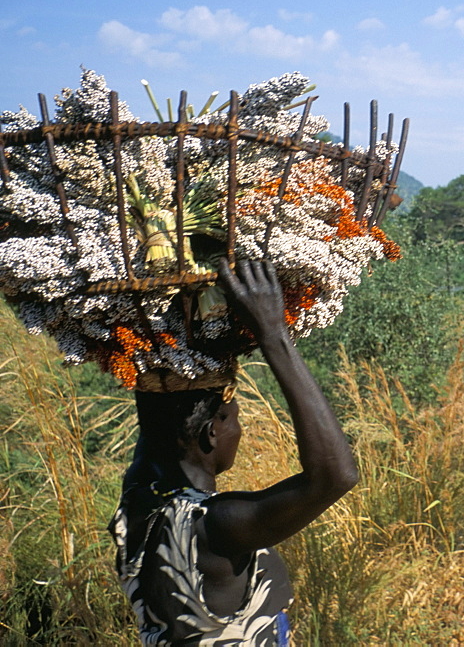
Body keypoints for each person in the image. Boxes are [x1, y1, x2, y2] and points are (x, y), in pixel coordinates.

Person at [108, 260, 359, 645]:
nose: (239, 430)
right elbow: (335, 476)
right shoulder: (215, 528)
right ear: (212, 433)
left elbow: (156, 420)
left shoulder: (140, 497)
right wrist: (272, 334)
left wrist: (170, 333)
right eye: (234, 420)